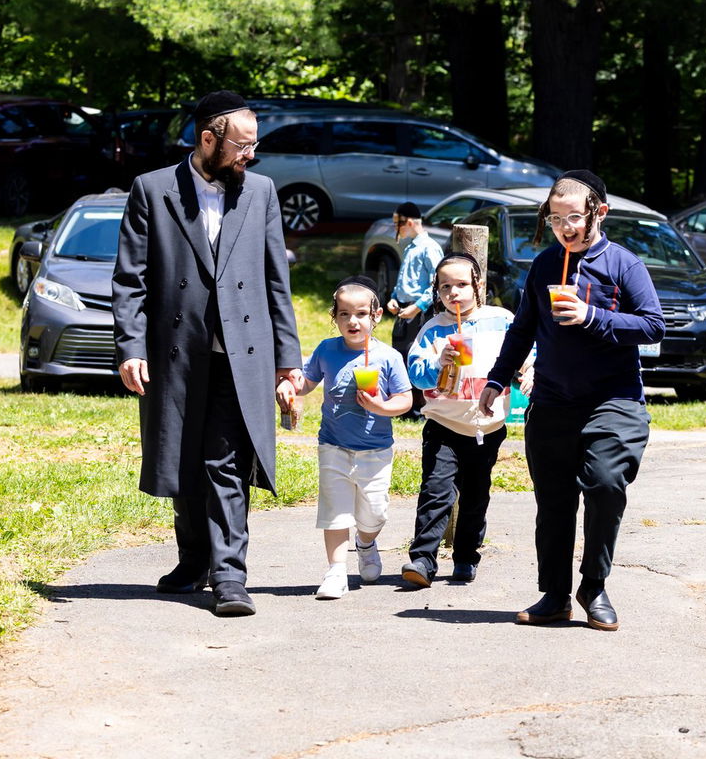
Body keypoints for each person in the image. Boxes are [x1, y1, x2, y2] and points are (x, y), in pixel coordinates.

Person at [113, 90, 303, 618]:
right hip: (176, 353)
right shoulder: (152, 190)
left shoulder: (261, 191)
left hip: (242, 354)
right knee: (182, 458)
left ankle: (229, 577)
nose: (250, 154)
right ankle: (193, 560)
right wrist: (130, 347)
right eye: (242, 145)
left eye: (254, 143)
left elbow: (276, 282)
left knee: (225, 462)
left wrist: (287, 362)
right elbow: (131, 279)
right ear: (208, 139)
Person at [478, 170, 664, 631]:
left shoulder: (624, 264)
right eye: (555, 217)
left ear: (600, 213)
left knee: (604, 484)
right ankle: (555, 595)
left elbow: (653, 325)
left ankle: (594, 586)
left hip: (614, 401)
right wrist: (497, 380)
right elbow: (522, 330)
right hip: (554, 402)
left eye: (574, 217)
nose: (565, 226)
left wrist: (593, 316)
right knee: (555, 503)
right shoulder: (544, 265)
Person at [401, 252, 530, 588]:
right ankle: (422, 560)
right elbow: (417, 375)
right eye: (445, 286)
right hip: (444, 424)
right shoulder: (433, 330)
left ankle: (465, 558)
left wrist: (530, 371)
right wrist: (438, 363)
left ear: (479, 285)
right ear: (436, 291)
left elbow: (526, 351)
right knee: (436, 491)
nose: (453, 292)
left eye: (461, 284)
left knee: (476, 495)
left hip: (488, 428)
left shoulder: (501, 321)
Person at [282, 276, 412, 599]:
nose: (352, 321)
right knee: (335, 509)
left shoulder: (387, 357)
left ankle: (366, 542)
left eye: (360, 315)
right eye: (344, 314)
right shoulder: (327, 350)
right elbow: (308, 382)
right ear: (334, 317)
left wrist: (382, 406)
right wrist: (290, 387)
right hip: (333, 445)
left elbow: (405, 400)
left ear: (376, 316)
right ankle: (336, 571)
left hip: (375, 450)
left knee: (375, 512)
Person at [386, 201, 442, 418]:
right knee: (399, 354)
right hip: (404, 309)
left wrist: (418, 307)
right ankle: (403, 402)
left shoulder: (429, 248)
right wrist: (393, 298)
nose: (396, 229)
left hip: (418, 312)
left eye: (397, 224)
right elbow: (405, 281)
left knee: (415, 355)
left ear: (408, 222)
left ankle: (418, 406)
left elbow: (435, 284)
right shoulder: (411, 247)